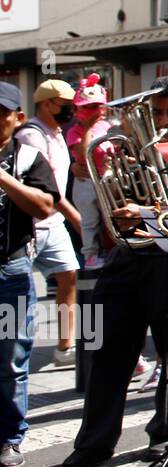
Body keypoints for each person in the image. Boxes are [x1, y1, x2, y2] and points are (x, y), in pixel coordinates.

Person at [60, 78, 168, 467]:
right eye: (157, 113)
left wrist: (147, 213)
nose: (164, 121)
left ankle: (165, 435)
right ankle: (94, 443)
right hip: (127, 257)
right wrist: (98, 177)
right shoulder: (128, 155)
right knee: (106, 351)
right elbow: (109, 213)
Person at [0, 82, 60, 467]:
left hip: (11, 269)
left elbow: (45, 205)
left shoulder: (27, 157)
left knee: (9, 360)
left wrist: (2, 178)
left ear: (16, 118)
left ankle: (8, 438)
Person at [14, 79, 83, 368]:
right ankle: (13, 346)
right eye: (65, 104)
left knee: (68, 275)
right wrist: (76, 217)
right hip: (28, 224)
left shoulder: (56, 133)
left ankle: (64, 347)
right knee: (18, 290)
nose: (71, 110)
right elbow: (47, 189)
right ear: (47, 103)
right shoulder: (31, 135)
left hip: (52, 224)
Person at [66, 74, 112, 269]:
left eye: (96, 106)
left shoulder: (108, 126)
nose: (93, 111)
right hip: (86, 181)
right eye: (87, 107)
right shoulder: (73, 132)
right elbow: (85, 155)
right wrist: (86, 128)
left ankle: (113, 252)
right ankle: (90, 255)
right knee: (90, 221)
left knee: (112, 219)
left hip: (108, 180)